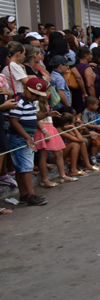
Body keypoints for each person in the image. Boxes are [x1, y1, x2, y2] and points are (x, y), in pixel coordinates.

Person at [8, 78, 49, 206]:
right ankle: (31, 195)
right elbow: (14, 121)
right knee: (26, 167)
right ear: (25, 89)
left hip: (25, 137)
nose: (34, 97)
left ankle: (24, 194)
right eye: (32, 94)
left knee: (21, 168)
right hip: (19, 138)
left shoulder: (30, 103)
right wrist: (27, 137)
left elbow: (33, 116)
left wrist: (48, 114)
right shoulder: (19, 102)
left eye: (37, 95)